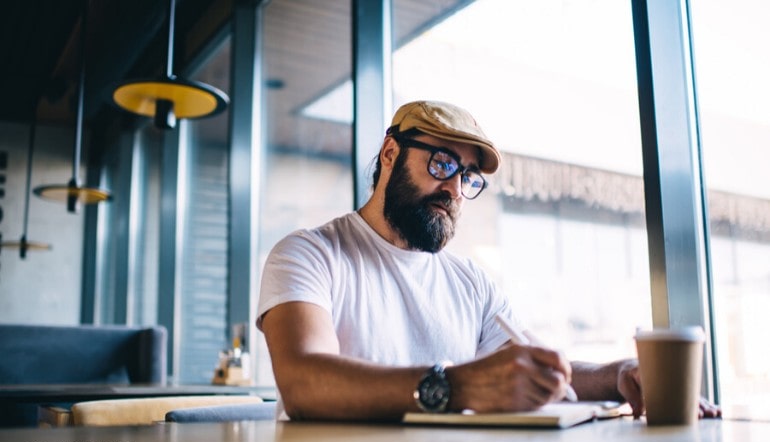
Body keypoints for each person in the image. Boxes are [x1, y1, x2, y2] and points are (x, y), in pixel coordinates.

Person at [257, 100, 721, 421]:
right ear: (391, 153)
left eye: (468, 177)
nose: (455, 189)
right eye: (441, 164)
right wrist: (458, 387)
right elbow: (304, 383)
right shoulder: (309, 254)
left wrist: (616, 373)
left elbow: (528, 368)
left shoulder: (471, 281)